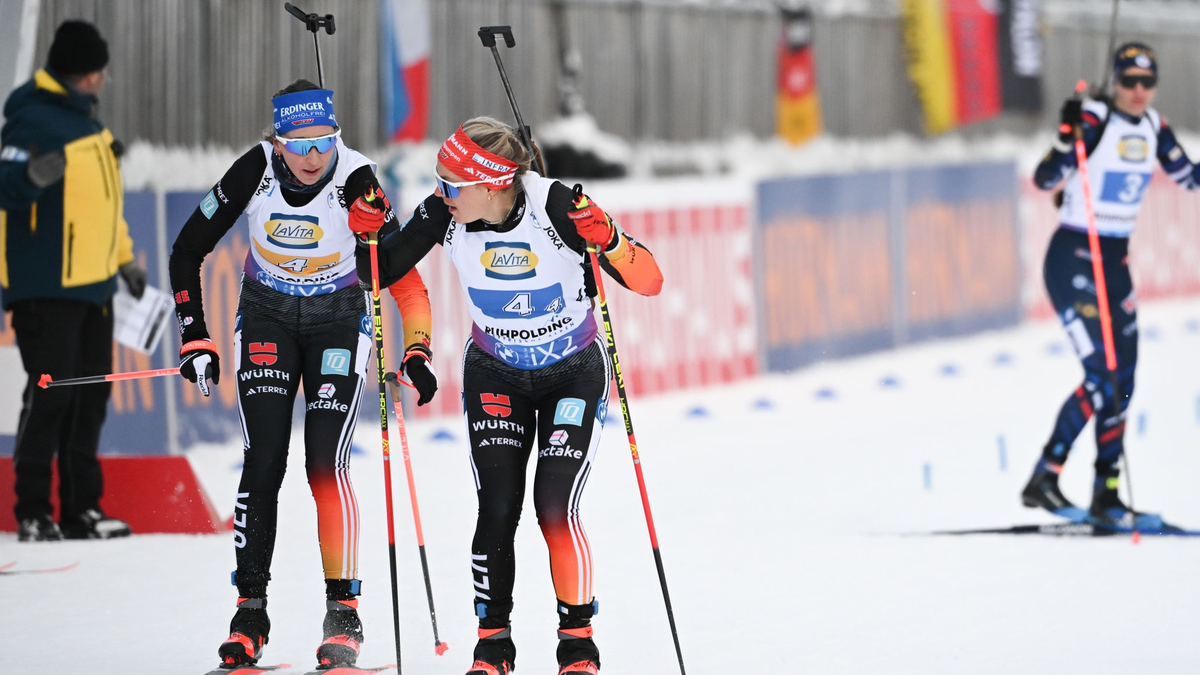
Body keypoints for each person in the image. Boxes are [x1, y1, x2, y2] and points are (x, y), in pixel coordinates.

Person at [350, 117, 664, 675]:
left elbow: (650, 280)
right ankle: (493, 643)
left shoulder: (557, 208)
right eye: (437, 180)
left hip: (572, 372)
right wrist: (365, 233)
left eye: (452, 182)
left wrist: (610, 240)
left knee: (553, 508)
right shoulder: (442, 214)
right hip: (496, 372)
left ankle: (577, 644)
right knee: (496, 509)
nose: (440, 192)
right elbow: (376, 273)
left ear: (492, 183)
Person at [168, 79, 438, 669]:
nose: (315, 157)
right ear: (278, 141)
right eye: (300, 144)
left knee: (324, 460)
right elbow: (186, 251)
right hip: (265, 313)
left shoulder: (358, 177)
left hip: (338, 319)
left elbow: (402, 279)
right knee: (264, 457)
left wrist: (416, 349)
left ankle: (343, 615)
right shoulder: (255, 170)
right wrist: (194, 335)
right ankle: (249, 614)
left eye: (325, 141)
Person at [1022, 43, 1200, 527]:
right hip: (1074, 258)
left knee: (1123, 382)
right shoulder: (1095, 118)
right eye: (1129, 81)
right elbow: (1045, 178)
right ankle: (1046, 474)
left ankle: (1108, 492)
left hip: (1114, 262)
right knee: (1102, 375)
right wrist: (1066, 136)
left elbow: (1190, 176)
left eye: (1147, 82)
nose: (1138, 91)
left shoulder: (1155, 126)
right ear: (1115, 81)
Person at [0, 20, 145, 542]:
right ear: (80, 73)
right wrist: (31, 176)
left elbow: (106, 210)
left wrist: (126, 261)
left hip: (95, 287)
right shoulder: (30, 120)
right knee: (51, 396)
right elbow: (6, 186)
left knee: (90, 399)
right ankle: (33, 510)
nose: (102, 79)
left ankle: (81, 509)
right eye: (97, 70)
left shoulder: (93, 129)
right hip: (46, 286)